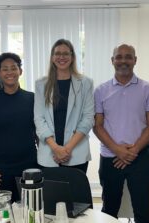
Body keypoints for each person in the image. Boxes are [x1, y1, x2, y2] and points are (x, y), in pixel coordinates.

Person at [93, 44, 149, 223]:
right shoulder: (100, 90)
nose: (123, 61)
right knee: (109, 210)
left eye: (128, 57)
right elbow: (97, 126)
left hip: (139, 156)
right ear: (112, 61)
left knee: (143, 210)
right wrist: (118, 150)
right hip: (110, 158)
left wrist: (132, 151)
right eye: (119, 57)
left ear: (135, 60)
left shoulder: (148, 89)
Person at [0, 52, 38, 202]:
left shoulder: (32, 99)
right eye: (5, 69)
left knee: (29, 209)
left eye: (13, 68)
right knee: (2, 213)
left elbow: (39, 132)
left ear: (20, 71)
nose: (9, 72)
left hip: (28, 166)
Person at [34, 39, 94, 173]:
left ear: (72, 57)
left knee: (75, 193)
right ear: (52, 57)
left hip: (76, 152)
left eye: (66, 53)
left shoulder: (85, 83)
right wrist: (56, 148)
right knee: (51, 194)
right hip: (49, 153)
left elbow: (88, 118)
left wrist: (67, 149)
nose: (62, 57)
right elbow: (39, 119)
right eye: (57, 53)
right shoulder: (41, 84)